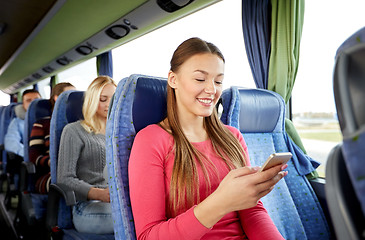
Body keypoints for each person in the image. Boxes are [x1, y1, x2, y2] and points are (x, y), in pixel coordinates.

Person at [128, 38, 287, 239]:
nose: (212, 90)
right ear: (173, 79)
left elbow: (252, 211)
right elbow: (148, 235)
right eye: (200, 79)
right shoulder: (152, 140)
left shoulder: (232, 137)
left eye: (218, 81)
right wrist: (222, 202)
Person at [57, 76, 116, 234]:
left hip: (117, 202)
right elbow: (65, 178)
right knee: (130, 220)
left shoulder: (119, 133)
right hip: (87, 206)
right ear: (92, 100)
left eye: (114, 98)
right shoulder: (74, 131)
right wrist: (99, 194)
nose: (109, 104)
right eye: (103, 99)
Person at [28, 82, 75, 220]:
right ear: (56, 98)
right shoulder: (42, 124)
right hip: (49, 175)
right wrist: (55, 163)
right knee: (71, 185)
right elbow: (34, 157)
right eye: (69, 96)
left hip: (78, 172)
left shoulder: (83, 124)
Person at [4, 89, 41, 190]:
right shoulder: (17, 122)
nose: (33, 103)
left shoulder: (50, 120)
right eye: (29, 100)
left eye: (36, 100)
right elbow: (10, 142)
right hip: (28, 160)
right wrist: (29, 153)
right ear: (23, 104)